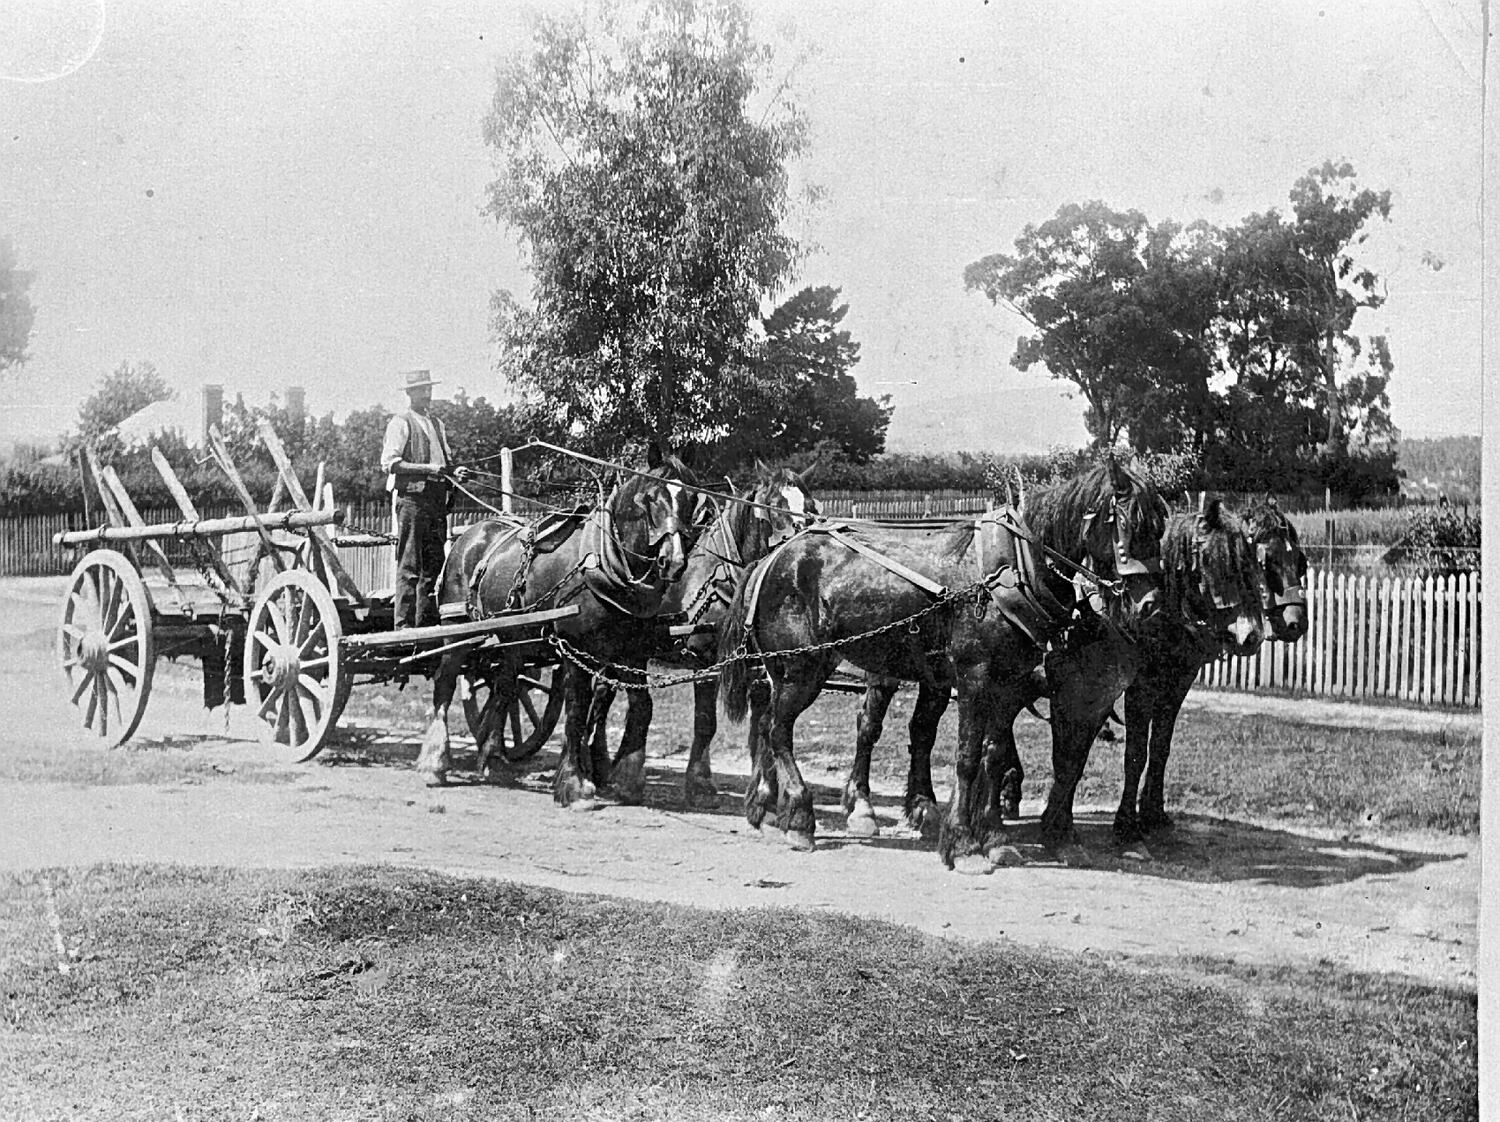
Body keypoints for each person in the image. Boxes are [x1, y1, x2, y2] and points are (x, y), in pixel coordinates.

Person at [380, 369, 467, 628]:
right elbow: (391, 464)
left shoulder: (437, 424)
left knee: (434, 566)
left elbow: (444, 463)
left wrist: (455, 472)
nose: (426, 394)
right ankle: (403, 627)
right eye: (421, 390)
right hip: (412, 500)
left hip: (436, 500)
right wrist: (428, 469)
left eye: (429, 389)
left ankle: (425, 627)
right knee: (410, 565)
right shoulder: (401, 423)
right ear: (410, 393)